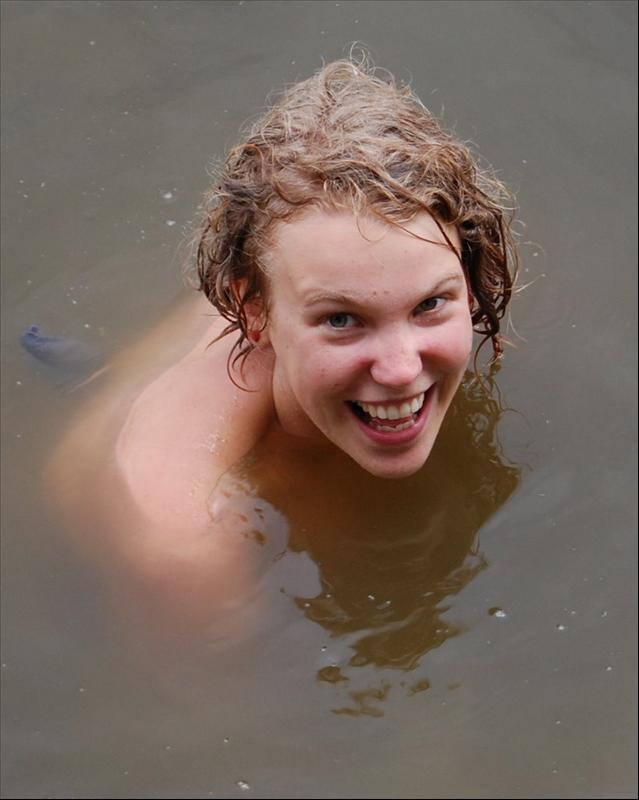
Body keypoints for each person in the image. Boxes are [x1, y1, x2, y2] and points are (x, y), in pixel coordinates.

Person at [46, 57, 518, 635]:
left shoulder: (313, 268)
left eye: (429, 304)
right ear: (253, 315)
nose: (400, 370)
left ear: (470, 278)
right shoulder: (186, 535)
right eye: (342, 319)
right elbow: (200, 694)